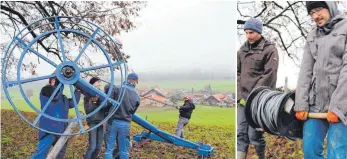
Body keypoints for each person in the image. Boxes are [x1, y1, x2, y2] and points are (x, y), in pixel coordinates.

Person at [294, 1, 347, 159]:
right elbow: (306, 70)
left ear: (330, 7)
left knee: (336, 152)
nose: (316, 16)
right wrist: (301, 104)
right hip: (316, 104)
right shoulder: (312, 35)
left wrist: (338, 107)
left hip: (342, 104)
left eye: (319, 10)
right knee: (309, 149)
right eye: (312, 13)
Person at [237, 18, 279, 159]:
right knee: (241, 134)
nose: (249, 36)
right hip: (242, 101)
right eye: (247, 32)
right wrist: (239, 96)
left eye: (252, 32)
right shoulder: (241, 51)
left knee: (254, 135)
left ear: (259, 32)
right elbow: (236, 73)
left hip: (257, 102)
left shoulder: (270, 50)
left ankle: (262, 156)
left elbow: (269, 75)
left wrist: (253, 98)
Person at [31, 76, 81, 159]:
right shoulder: (46, 91)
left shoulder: (63, 98)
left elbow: (72, 103)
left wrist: (77, 90)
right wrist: (59, 78)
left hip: (62, 130)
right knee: (40, 154)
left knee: (59, 155)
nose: (54, 81)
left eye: (56, 80)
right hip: (49, 130)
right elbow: (55, 95)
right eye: (53, 79)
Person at [103, 73, 140, 159]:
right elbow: (133, 111)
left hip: (113, 121)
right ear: (134, 81)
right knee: (124, 149)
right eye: (136, 82)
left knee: (109, 148)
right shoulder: (137, 95)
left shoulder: (117, 88)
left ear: (128, 79)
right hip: (125, 123)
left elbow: (108, 103)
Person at [84, 77, 105, 159]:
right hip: (92, 123)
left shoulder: (102, 94)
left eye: (100, 81)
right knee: (92, 146)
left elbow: (105, 106)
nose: (100, 83)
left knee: (98, 147)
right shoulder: (87, 96)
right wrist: (92, 101)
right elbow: (88, 110)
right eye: (98, 81)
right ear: (93, 84)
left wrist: (100, 101)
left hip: (100, 123)